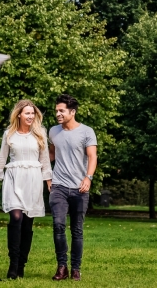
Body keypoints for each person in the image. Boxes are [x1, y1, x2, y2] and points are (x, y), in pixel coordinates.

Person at [0, 99, 52, 279]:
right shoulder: (9, 134)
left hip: (33, 180)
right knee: (16, 218)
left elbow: (45, 161)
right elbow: (1, 159)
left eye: (32, 113)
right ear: (19, 115)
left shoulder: (40, 134)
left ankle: (22, 264)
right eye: (27, 113)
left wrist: (49, 183)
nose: (30, 116)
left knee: (27, 225)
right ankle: (13, 266)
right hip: (14, 179)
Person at [48, 94, 97, 281]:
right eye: (56, 111)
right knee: (58, 225)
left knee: (77, 230)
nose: (58, 114)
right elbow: (51, 155)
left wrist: (88, 178)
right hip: (58, 186)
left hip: (79, 188)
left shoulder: (87, 132)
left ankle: (76, 268)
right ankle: (62, 267)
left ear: (72, 112)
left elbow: (92, 157)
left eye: (62, 111)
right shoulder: (53, 131)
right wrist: (44, 174)